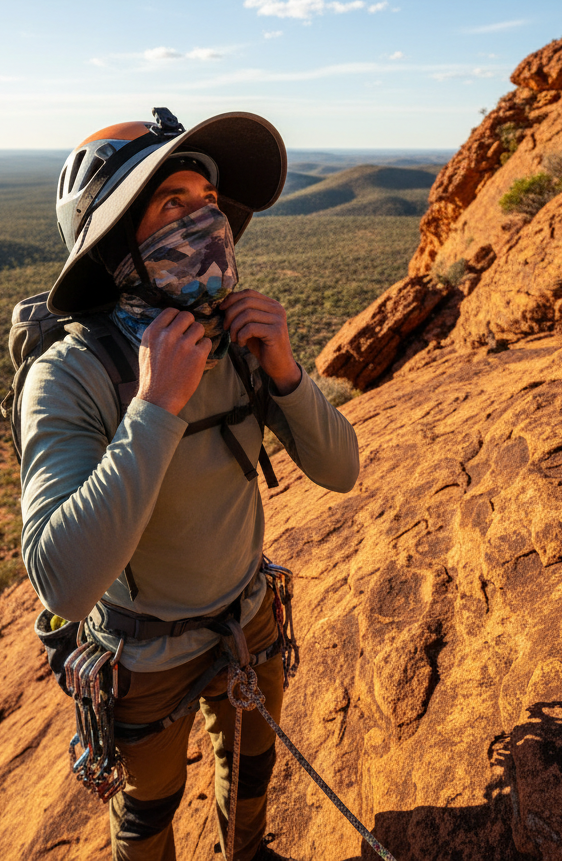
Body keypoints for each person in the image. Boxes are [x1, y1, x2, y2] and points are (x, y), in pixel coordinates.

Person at [19, 109, 360, 861]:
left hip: (249, 617)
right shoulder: (74, 373)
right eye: (173, 202)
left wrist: (287, 374)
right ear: (113, 238)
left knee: (251, 769)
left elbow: (341, 471)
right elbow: (64, 581)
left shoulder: (234, 339)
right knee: (149, 811)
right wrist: (154, 407)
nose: (204, 217)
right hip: (142, 655)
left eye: (207, 200)